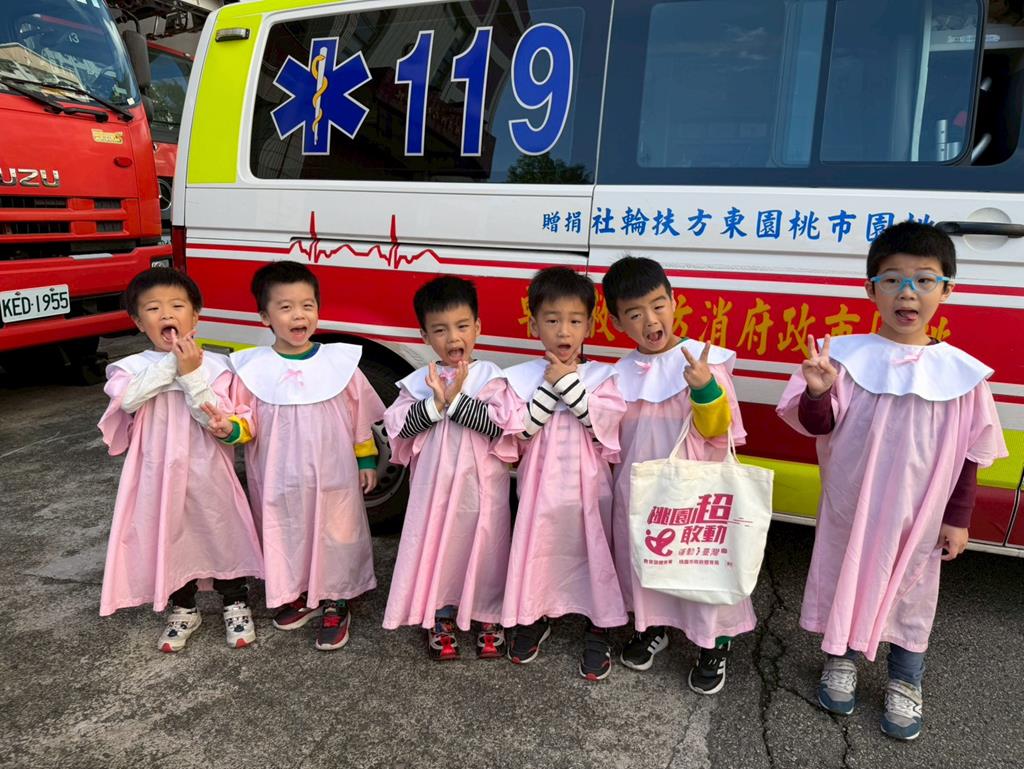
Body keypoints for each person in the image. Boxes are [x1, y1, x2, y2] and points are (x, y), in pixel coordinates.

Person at [776, 222, 1007, 740]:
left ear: (947, 290)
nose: (908, 292)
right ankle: (840, 657)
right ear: (870, 289)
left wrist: (958, 519)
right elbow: (818, 425)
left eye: (924, 280)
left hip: (919, 516)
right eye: (893, 279)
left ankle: (906, 678)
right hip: (852, 507)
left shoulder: (962, 375)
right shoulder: (843, 359)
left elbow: (970, 454)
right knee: (845, 574)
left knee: (914, 592)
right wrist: (818, 392)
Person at [207, 261, 385, 651]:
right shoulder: (252, 368)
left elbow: (360, 418)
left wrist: (366, 459)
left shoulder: (339, 364)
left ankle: (336, 599)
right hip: (278, 477)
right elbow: (246, 422)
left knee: (336, 532)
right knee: (288, 532)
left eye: (307, 305)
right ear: (265, 316)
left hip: (333, 474)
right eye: (285, 307)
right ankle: (303, 593)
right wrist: (229, 429)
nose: (298, 315)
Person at [601, 256, 755, 694]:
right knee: (647, 560)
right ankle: (654, 626)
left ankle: (714, 642)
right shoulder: (618, 375)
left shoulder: (706, 362)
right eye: (635, 313)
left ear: (674, 302)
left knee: (703, 564)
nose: (651, 320)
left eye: (658, 305)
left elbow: (719, 430)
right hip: (641, 491)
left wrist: (704, 387)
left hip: (697, 488)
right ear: (617, 323)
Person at [98, 267, 263, 652]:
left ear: (195, 316)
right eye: (153, 308)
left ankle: (235, 600)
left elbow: (216, 418)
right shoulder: (131, 368)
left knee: (220, 528)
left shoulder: (219, 367)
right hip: (155, 470)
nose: (166, 314)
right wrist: (175, 364)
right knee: (168, 532)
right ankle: (183, 606)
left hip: (207, 466)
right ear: (139, 322)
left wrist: (192, 375)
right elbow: (128, 400)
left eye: (176, 305)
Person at [382, 276, 520, 660]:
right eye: (440, 329)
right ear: (425, 335)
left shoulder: (492, 378)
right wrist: (436, 403)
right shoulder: (418, 382)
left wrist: (457, 401)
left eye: (462, 326)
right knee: (437, 543)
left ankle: (487, 613)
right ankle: (440, 612)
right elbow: (400, 429)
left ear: (478, 327)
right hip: (434, 487)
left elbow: (501, 428)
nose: (453, 337)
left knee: (486, 543)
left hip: (482, 486)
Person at [502, 266, 627, 680]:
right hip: (540, 487)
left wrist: (568, 383)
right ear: (534, 325)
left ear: (589, 326)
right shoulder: (521, 378)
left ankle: (599, 624)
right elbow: (521, 430)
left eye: (575, 321)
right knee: (542, 546)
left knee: (593, 549)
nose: (563, 330)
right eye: (552, 320)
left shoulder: (604, 376)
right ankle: (536, 612)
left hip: (589, 487)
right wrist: (551, 383)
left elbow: (602, 426)